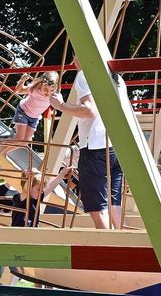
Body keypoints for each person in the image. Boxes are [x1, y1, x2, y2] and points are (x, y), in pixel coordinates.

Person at [50, 70, 125, 229]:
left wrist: (61, 105)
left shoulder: (85, 74)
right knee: (114, 203)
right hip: (116, 145)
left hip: (94, 147)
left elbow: (89, 111)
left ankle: (109, 243)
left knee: (98, 208)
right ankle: (121, 239)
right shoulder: (115, 77)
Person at [8, 72, 61, 153]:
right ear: (41, 83)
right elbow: (19, 90)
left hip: (34, 117)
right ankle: (1, 150)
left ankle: (5, 152)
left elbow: (59, 102)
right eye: (45, 89)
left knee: (26, 142)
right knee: (19, 138)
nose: (47, 93)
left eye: (51, 90)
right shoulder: (35, 88)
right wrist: (22, 81)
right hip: (23, 112)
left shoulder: (54, 94)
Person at [5, 166, 70, 227]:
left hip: (32, 232)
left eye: (41, 190)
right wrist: (30, 178)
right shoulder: (22, 197)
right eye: (38, 189)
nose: (41, 192)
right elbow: (27, 188)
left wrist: (62, 174)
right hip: (19, 233)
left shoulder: (36, 199)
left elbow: (50, 187)